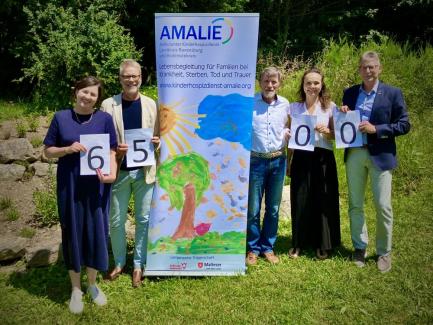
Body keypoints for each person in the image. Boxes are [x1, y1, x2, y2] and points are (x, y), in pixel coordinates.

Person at [43, 76, 118, 314]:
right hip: (70, 186)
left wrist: (112, 175)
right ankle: (76, 289)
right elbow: (47, 151)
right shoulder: (60, 118)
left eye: (93, 94)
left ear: (98, 99)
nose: (87, 97)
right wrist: (66, 149)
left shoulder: (105, 120)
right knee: (72, 232)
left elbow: (113, 151)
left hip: (97, 187)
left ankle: (93, 285)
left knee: (96, 232)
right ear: (76, 92)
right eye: (84, 91)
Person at [341, 51, 410, 272]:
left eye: (372, 67)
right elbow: (344, 122)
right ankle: (359, 248)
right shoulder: (350, 93)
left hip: (381, 155)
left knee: (383, 206)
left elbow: (404, 124)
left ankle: (383, 252)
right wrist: (342, 112)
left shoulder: (392, 93)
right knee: (355, 204)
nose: (368, 71)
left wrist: (377, 129)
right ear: (359, 69)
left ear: (379, 68)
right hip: (355, 154)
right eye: (364, 67)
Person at [101, 59, 160, 287]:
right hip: (120, 171)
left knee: (143, 219)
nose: (131, 80)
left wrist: (157, 143)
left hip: (144, 172)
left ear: (141, 78)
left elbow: (158, 139)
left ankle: (138, 264)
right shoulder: (108, 105)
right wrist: (115, 150)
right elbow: (102, 139)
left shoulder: (151, 105)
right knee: (116, 221)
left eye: (134, 76)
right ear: (120, 79)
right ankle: (118, 262)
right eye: (126, 76)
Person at [288, 68, 341, 259]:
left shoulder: (330, 107)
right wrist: (288, 163)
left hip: (323, 157)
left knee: (322, 200)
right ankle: (298, 243)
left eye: (316, 83)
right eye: (308, 83)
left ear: (322, 85)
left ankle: (322, 243)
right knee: (300, 199)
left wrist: (326, 131)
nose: (312, 86)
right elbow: (290, 137)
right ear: (303, 85)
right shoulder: (293, 108)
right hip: (301, 157)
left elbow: (336, 136)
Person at [246, 67, 290, 265]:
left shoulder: (285, 105)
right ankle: (253, 248)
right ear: (260, 82)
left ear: (279, 84)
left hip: (278, 161)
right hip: (255, 161)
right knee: (253, 209)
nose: (269, 85)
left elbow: (291, 127)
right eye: (266, 81)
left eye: (273, 82)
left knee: (272, 208)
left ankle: (268, 247)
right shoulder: (250, 104)